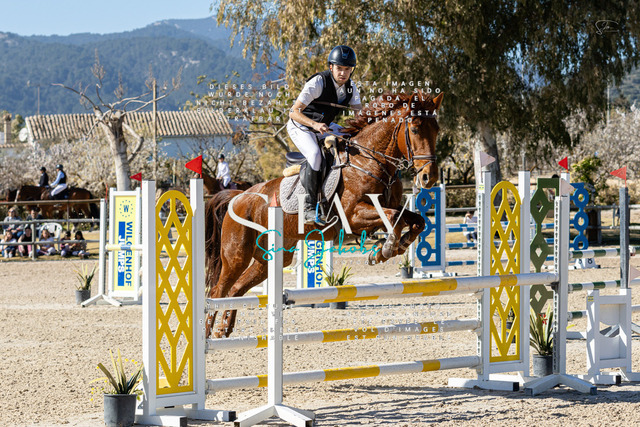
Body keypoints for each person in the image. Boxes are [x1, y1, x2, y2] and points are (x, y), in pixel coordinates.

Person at [287, 45, 362, 224]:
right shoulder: (318, 82)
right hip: (301, 126)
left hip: (325, 126)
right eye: (339, 68)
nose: (343, 73)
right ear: (331, 67)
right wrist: (314, 124)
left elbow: (360, 116)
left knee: (353, 141)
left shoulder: (351, 88)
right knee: (315, 154)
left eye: (347, 69)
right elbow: (293, 112)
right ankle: (309, 207)